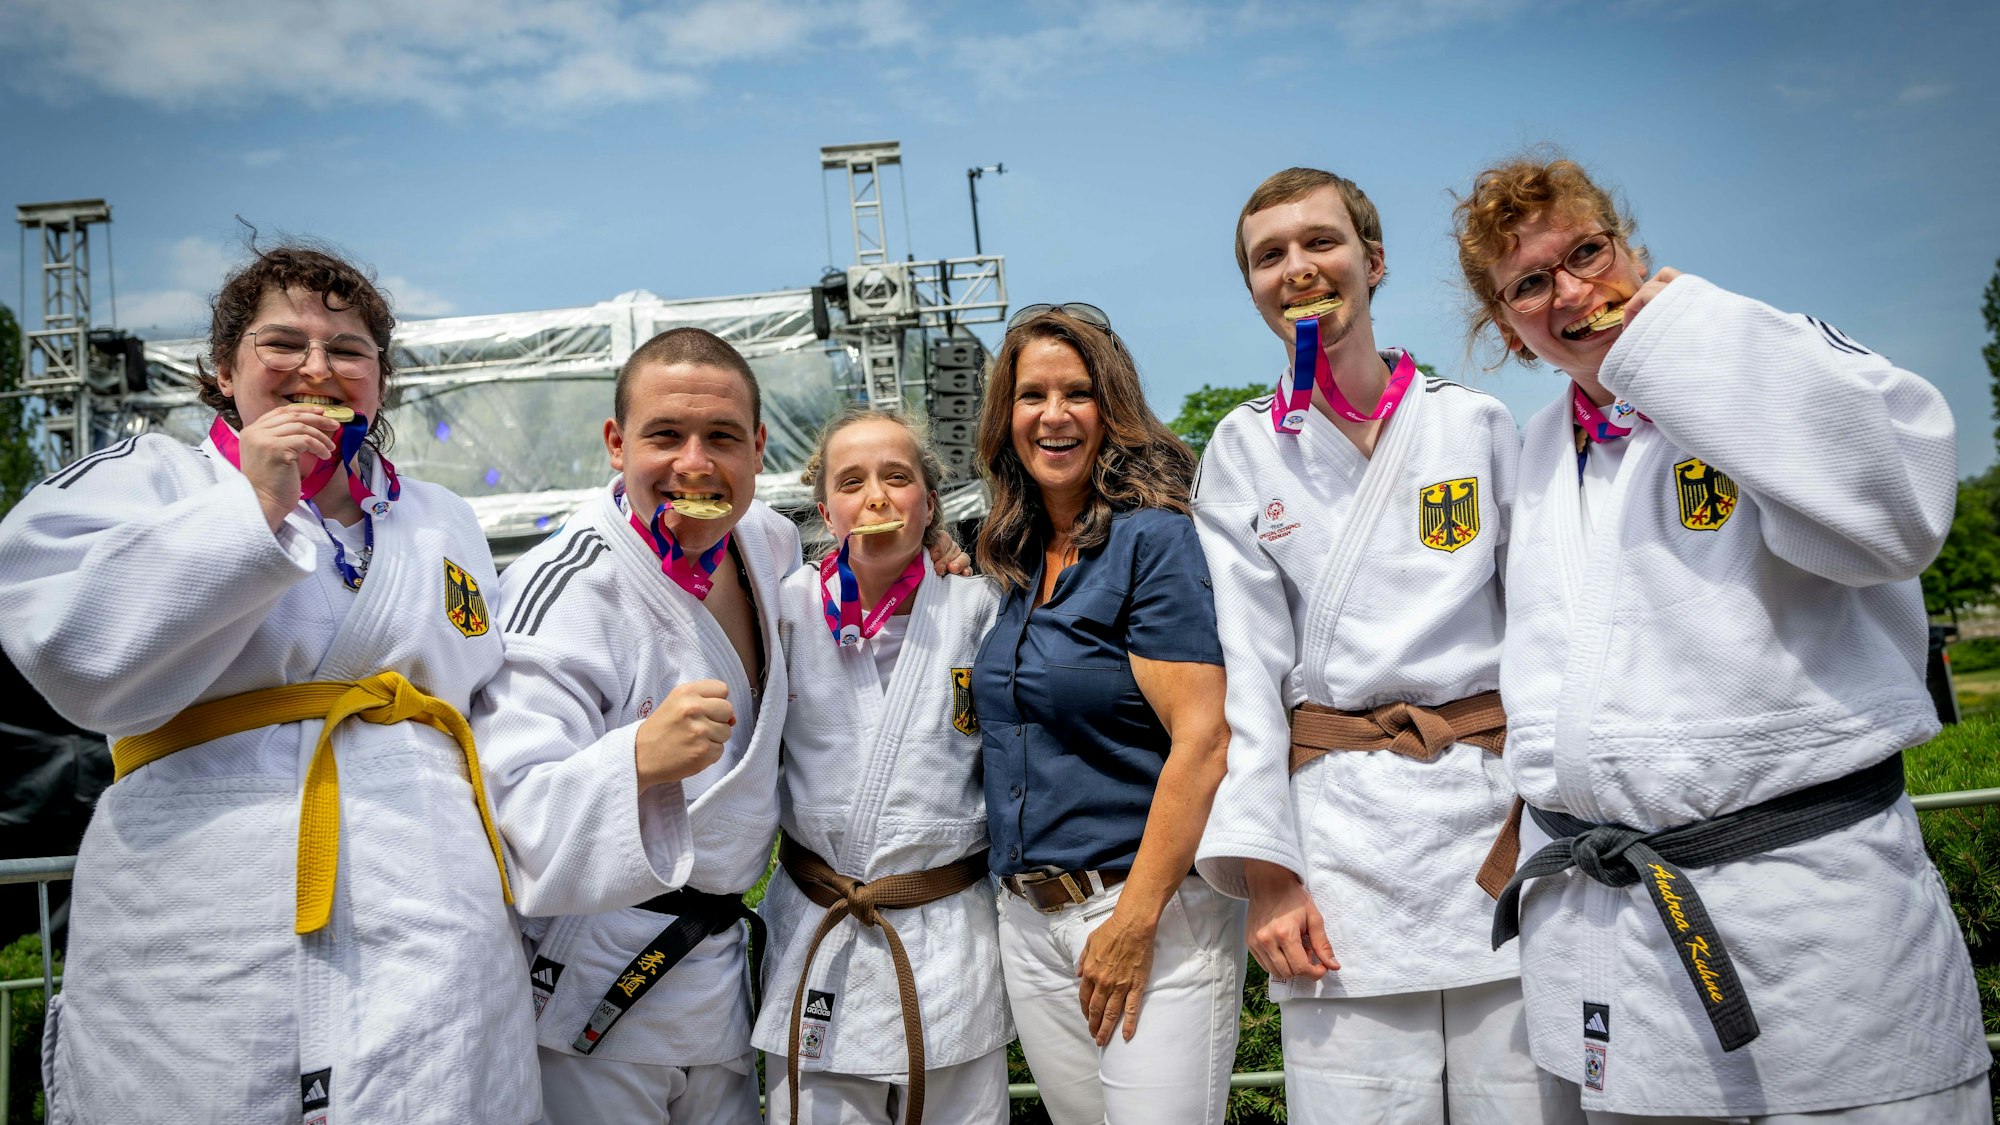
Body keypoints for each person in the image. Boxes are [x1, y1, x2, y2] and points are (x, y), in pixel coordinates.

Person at [1453, 153, 1991, 1122]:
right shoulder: (1532, 456)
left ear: (1628, 245)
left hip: (1810, 926)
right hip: (1615, 934)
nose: (1569, 292)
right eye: (1528, 283)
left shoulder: (1749, 359)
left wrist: (1688, 334)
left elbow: (1902, 508)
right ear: (1505, 326)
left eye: (1585, 251)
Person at [0, 244, 538, 1122]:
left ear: (381, 380)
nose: (318, 369)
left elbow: (493, 698)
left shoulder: (443, 518)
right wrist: (249, 509)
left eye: (350, 349)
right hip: (202, 902)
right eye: (283, 344)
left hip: (431, 902)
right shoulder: (153, 477)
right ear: (223, 370)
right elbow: (61, 636)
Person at [1191, 167, 1580, 1124]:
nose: (1297, 268)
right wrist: (1267, 872)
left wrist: (1558, 810)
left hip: (1492, 819)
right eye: (1268, 256)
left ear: (1372, 261)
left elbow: (1543, 633)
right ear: (1251, 287)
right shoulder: (1241, 450)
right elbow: (1247, 675)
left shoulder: (1472, 423)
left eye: (1320, 242)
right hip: (1339, 847)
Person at [474, 327, 799, 1125]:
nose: (695, 464)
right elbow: (512, 811)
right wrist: (637, 759)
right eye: (665, 436)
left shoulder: (770, 541)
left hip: (721, 977)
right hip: (596, 976)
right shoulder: (566, 585)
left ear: (758, 448)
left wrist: (930, 550)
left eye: (722, 436)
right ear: (617, 444)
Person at [970, 303, 1241, 1125]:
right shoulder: (1010, 556)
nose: (1053, 415)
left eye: (1077, 393)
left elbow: (1205, 737)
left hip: (1141, 912)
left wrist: (1133, 920)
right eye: (1031, 395)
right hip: (1027, 920)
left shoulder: (1153, 541)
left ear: (1110, 407)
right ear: (1005, 417)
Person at [755, 405, 1006, 1125]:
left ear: (929, 501)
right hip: (823, 927)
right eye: (852, 480)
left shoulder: (979, 606)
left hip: (947, 935)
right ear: (824, 508)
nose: (876, 497)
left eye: (898, 478)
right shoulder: (787, 609)